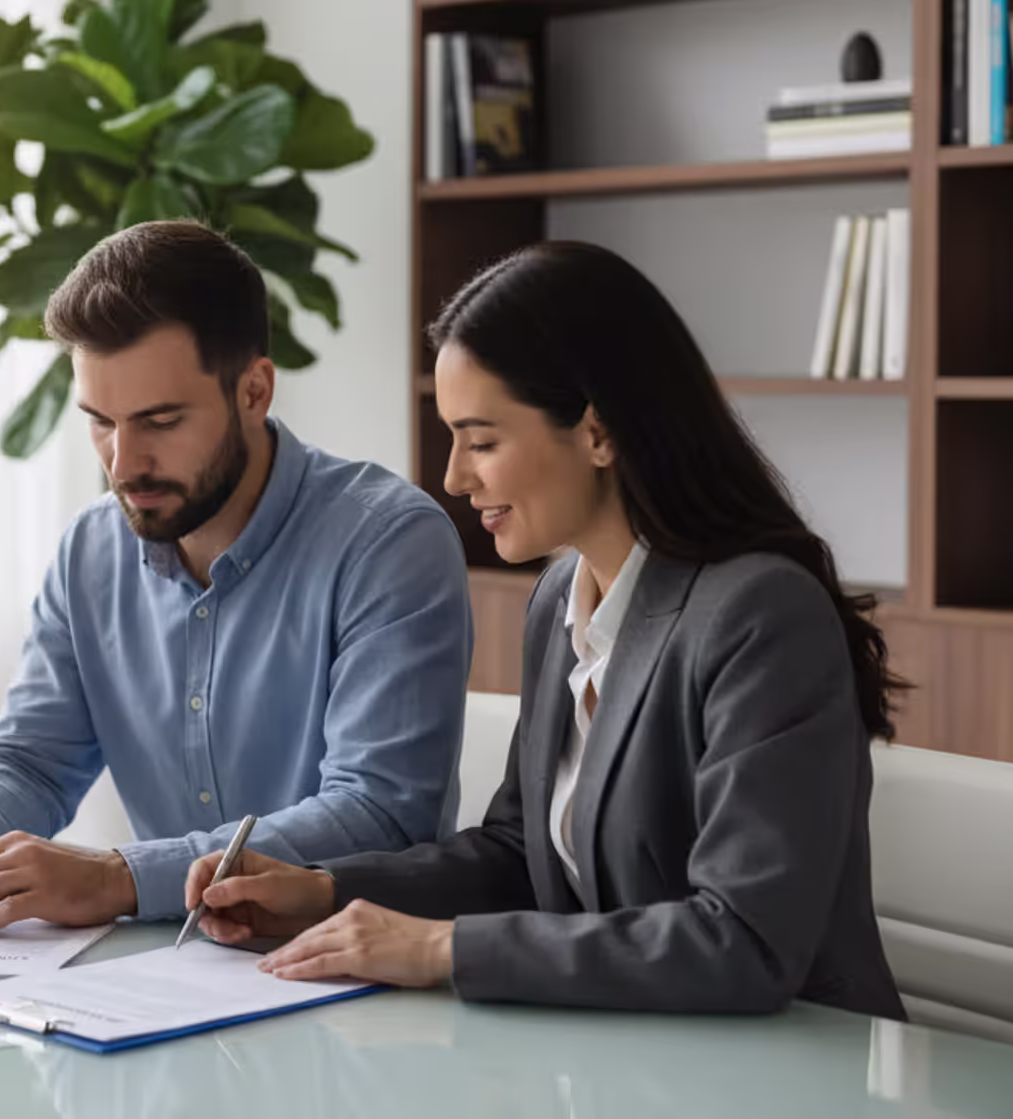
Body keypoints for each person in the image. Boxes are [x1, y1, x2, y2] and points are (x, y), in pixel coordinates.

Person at [185, 241, 906, 1019]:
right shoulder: (562, 596)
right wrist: (325, 893)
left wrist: (440, 950)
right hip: (633, 1062)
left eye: (482, 439)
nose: (455, 477)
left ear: (598, 432)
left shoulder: (760, 615)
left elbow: (745, 942)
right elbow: (518, 855)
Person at [0, 219, 473, 931]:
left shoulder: (388, 542)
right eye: (100, 422)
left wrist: (121, 879)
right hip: (159, 989)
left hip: (354, 981)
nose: (122, 462)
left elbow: (381, 815)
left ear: (255, 392)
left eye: (160, 421)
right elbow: (33, 760)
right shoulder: (91, 551)